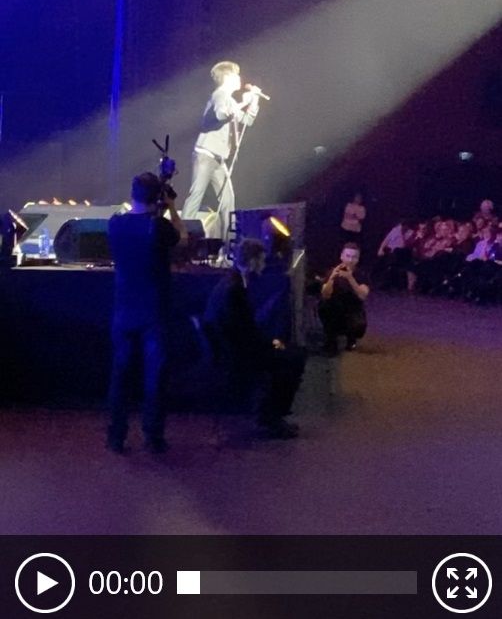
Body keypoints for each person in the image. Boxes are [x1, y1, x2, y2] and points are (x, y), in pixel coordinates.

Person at [106, 172, 185, 454]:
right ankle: (153, 436)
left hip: (123, 309)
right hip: (154, 311)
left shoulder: (115, 223)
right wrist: (172, 207)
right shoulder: (158, 226)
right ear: (158, 197)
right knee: (155, 377)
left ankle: (116, 437)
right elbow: (182, 238)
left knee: (120, 376)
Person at [202, 238, 305, 439]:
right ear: (252, 261)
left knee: (288, 354)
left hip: (231, 345)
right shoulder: (235, 290)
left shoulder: (232, 282)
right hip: (235, 352)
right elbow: (245, 334)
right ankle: (272, 418)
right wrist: (271, 343)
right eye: (262, 260)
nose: (264, 265)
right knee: (293, 359)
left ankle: (270, 415)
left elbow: (244, 329)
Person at [182, 61, 261, 241]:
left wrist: (254, 100)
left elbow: (247, 120)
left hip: (219, 159)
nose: (240, 78)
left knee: (228, 200)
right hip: (206, 154)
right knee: (196, 196)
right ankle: (183, 239)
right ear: (228, 77)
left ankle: (228, 245)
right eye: (237, 75)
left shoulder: (230, 100)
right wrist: (243, 102)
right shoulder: (219, 95)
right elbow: (221, 114)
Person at [318, 241, 369, 353]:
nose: (350, 260)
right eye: (348, 256)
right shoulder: (332, 272)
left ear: (358, 259)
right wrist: (331, 279)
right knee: (324, 307)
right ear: (342, 256)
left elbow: (362, 295)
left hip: (352, 310)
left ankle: (351, 338)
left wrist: (350, 278)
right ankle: (331, 340)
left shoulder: (361, 274)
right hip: (335, 309)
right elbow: (325, 294)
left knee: (358, 325)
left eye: (354, 257)